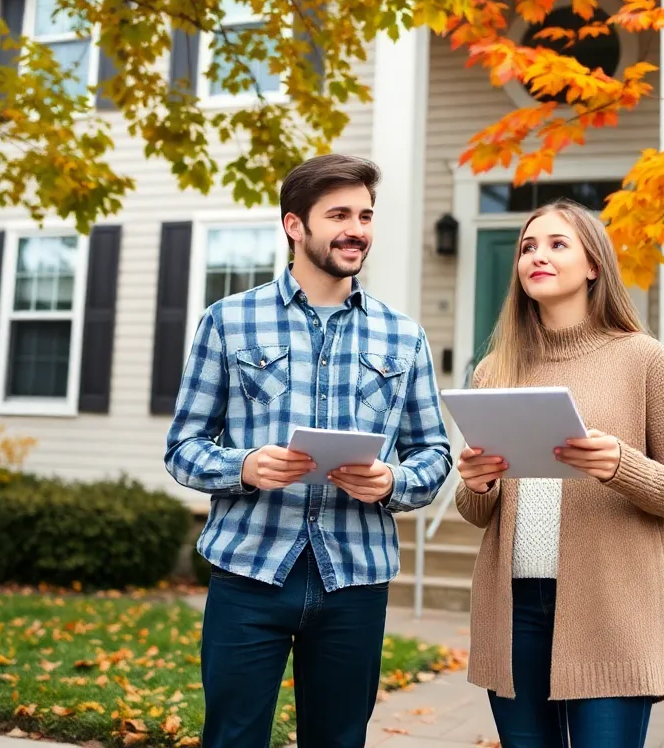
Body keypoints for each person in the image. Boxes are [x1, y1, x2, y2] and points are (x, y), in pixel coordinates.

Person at [164, 153, 452, 748]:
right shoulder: (229, 321)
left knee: (339, 741)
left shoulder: (403, 335)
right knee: (232, 738)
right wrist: (243, 466)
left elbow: (434, 454)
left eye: (366, 215)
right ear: (296, 225)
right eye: (340, 213)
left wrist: (393, 483)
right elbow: (183, 447)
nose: (357, 229)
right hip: (249, 573)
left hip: (356, 579)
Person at [454, 199, 664, 748]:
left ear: (594, 264)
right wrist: (477, 482)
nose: (536, 257)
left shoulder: (643, 359)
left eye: (556, 244)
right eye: (527, 247)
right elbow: (478, 513)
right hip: (514, 609)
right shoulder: (493, 370)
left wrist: (623, 466)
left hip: (611, 612)